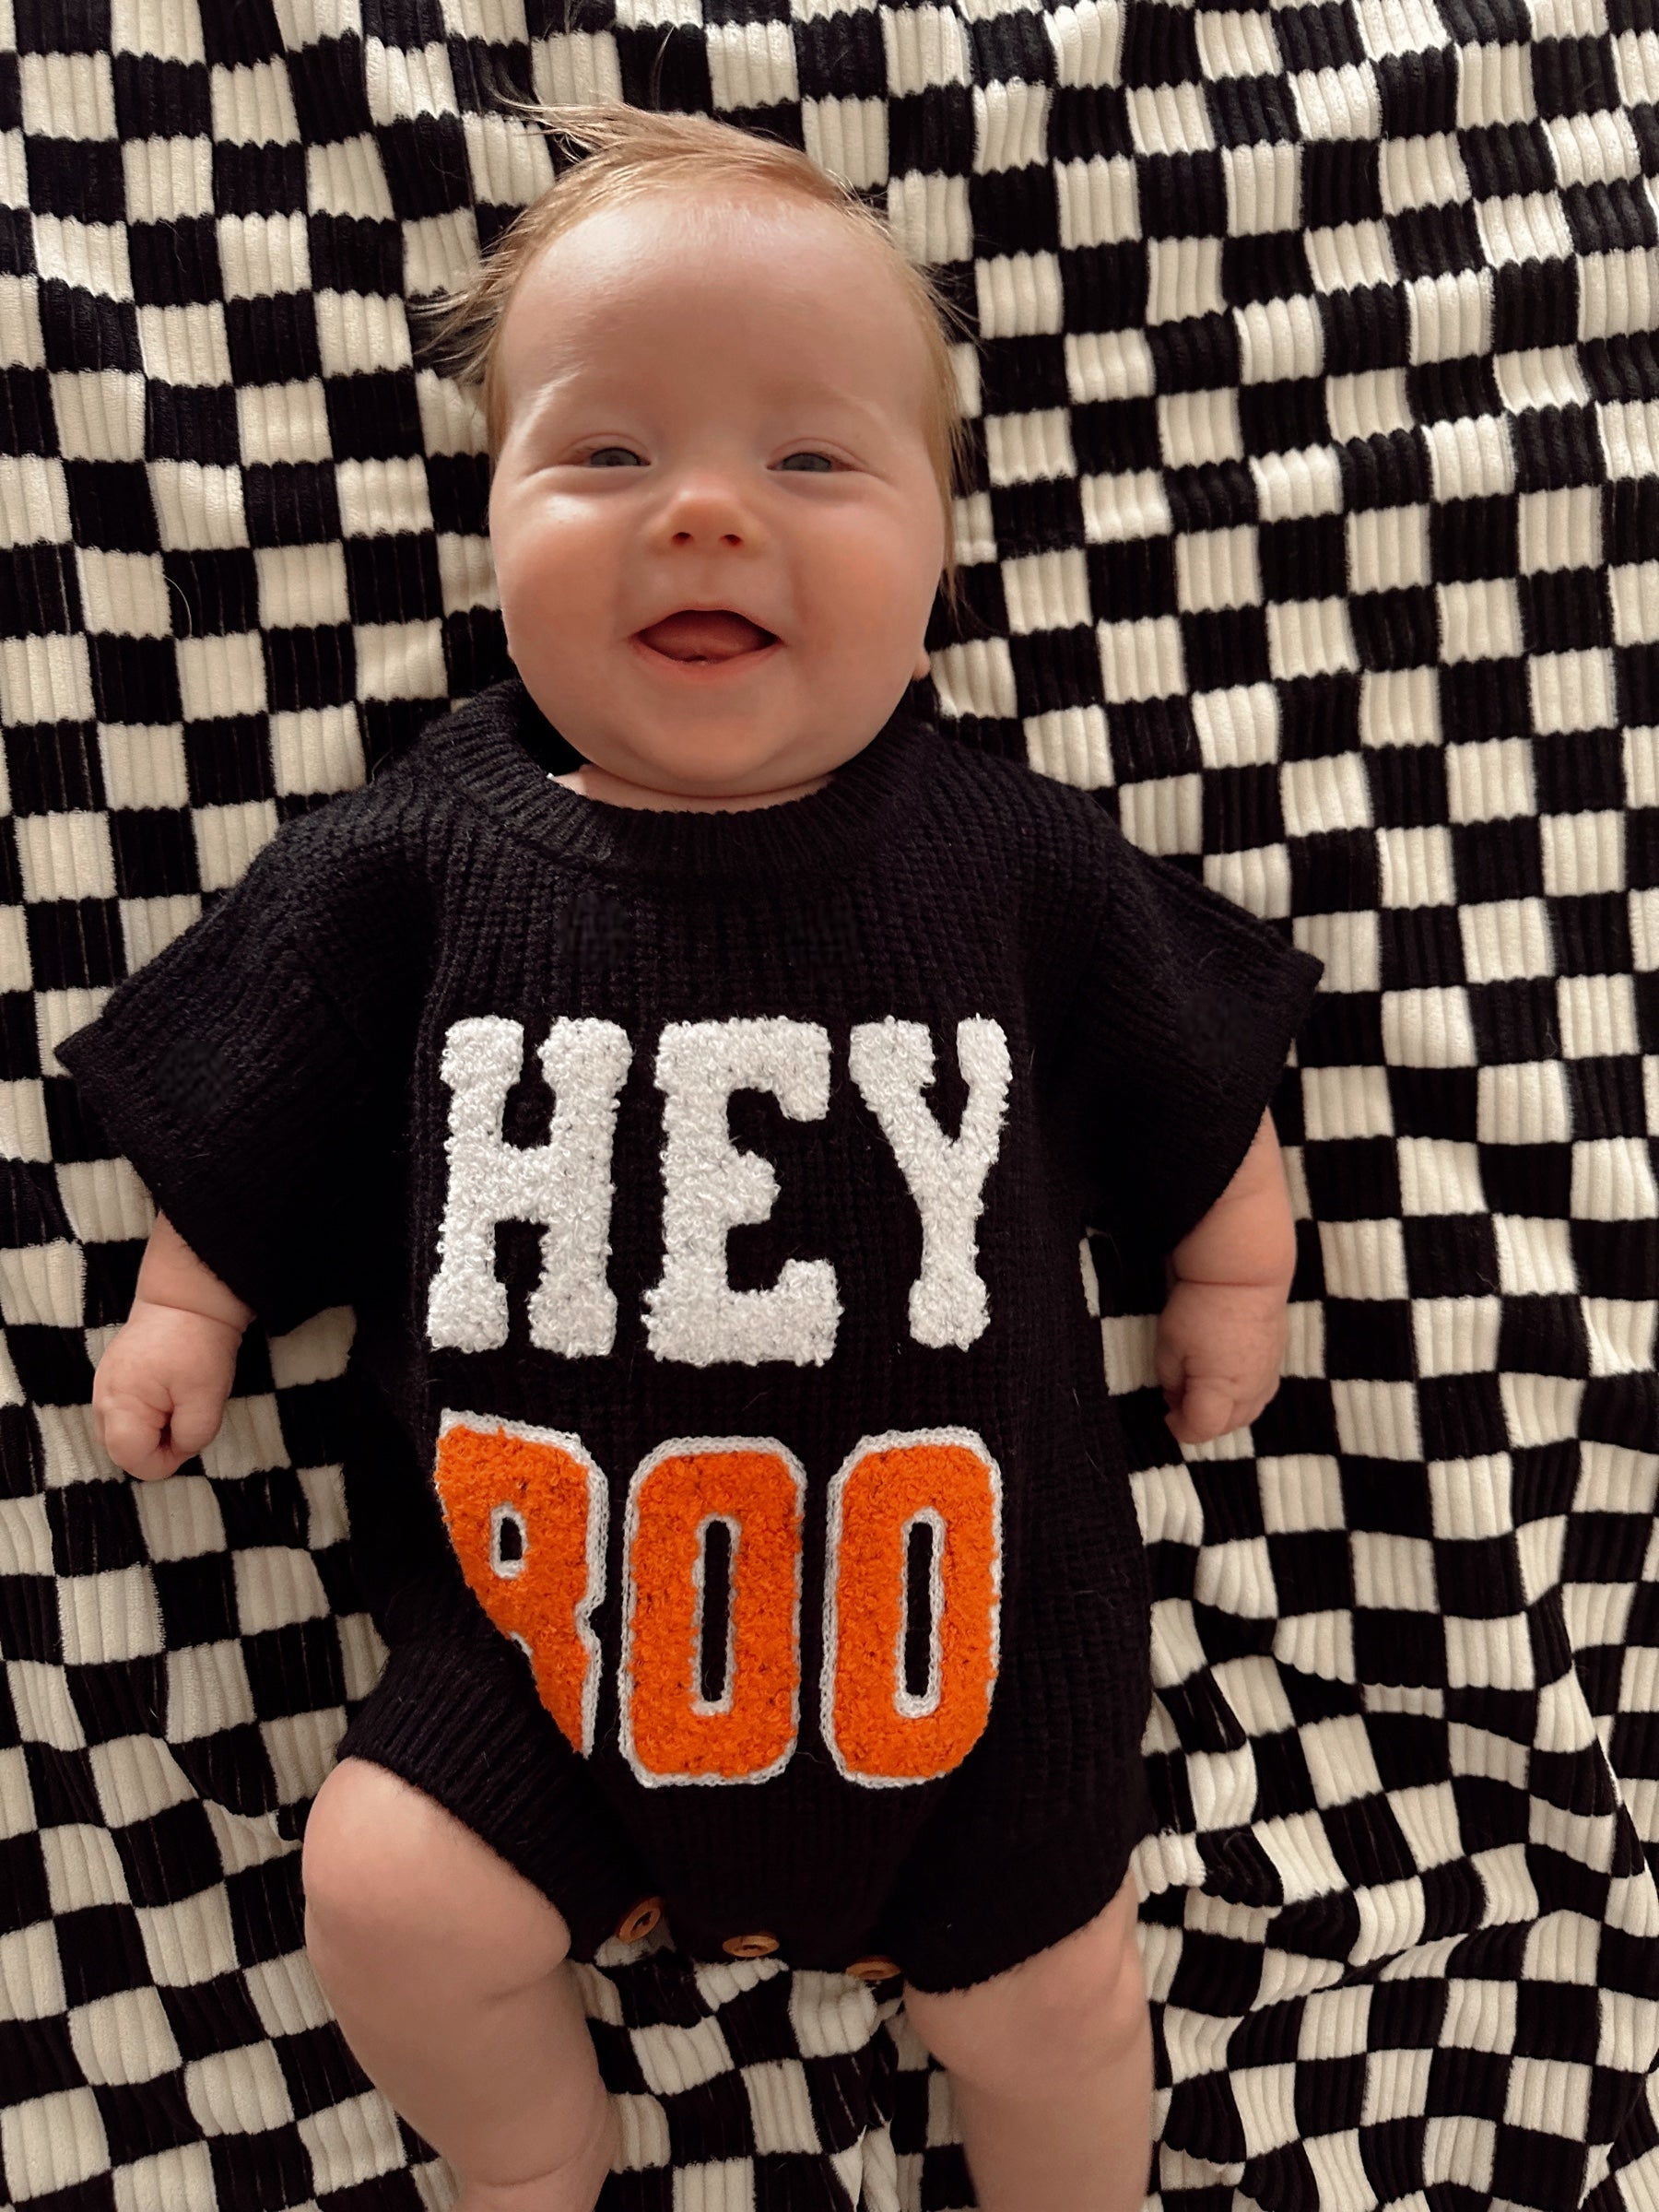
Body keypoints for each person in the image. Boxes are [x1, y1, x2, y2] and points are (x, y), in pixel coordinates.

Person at [62, 107, 1321, 2212]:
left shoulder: (1011, 858)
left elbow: (1199, 1073)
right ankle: (532, 2159)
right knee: (385, 1890)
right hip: (543, 1649)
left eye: (813, 459)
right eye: (608, 454)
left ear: (943, 544)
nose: (708, 514)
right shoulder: (413, 862)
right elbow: (257, 1089)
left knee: (1063, 2010)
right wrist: (189, 1301)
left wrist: (1232, 1276)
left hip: (966, 1657)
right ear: (492, 520)